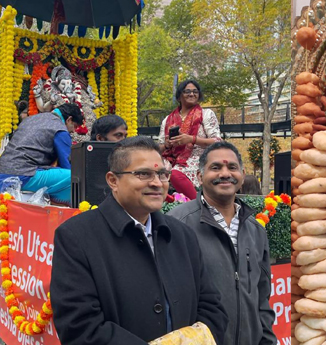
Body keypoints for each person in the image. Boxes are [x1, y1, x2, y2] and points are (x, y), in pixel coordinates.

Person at [50, 136, 228, 345]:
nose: (156, 183)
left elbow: (212, 308)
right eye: (143, 174)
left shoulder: (182, 235)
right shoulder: (76, 237)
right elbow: (79, 327)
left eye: (162, 174)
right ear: (113, 180)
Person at [168, 141, 276, 345]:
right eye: (215, 167)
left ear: (242, 175)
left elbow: (262, 297)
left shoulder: (255, 230)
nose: (225, 173)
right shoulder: (177, 224)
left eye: (232, 167)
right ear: (200, 177)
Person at [0, 103, 84, 205]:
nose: (73, 131)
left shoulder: (30, 119)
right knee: (74, 178)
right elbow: (67, 165)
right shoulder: (60, 129)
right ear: (69, 120)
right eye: (74, 126)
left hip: (3, 172)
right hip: (23, 175)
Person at [159, 80, 222, 201]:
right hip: (171, 159)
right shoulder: (168, 119)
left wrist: (192, 139)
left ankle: (199, 206)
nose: (192, 94)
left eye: (195, 91)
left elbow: (218, 142)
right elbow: (159, 148)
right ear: (179, 96)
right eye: (187, 91)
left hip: (198, 158)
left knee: (175, 174)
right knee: (155, 171)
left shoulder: (206, 114)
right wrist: (167, 145)